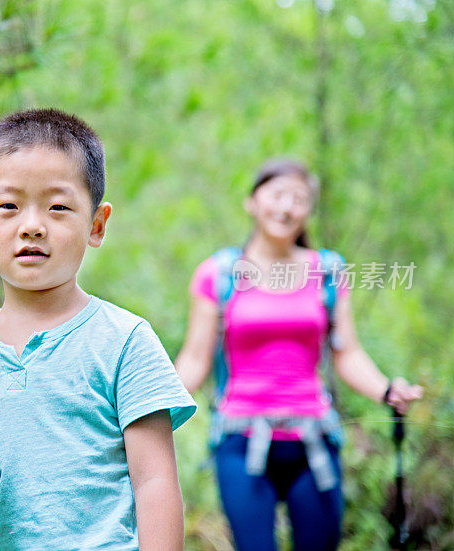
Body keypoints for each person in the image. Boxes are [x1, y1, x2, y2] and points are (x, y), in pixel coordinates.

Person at [0, 108, 196, 550]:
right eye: (8, 207)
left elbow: (155, 482)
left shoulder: (125, 341)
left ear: (97, 224)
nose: (31, 226)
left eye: (58, 207)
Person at [174, 158, 423, 551]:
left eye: (299, 199)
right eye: (277, 195)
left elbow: (348, 353)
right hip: (240, 442)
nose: (286, 208)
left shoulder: (326, 270)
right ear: (252, 202)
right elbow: (194, 360)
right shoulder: (219, 274)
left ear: (309, 210)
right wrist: (148, 409)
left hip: (314, 442)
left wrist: (386, 390)